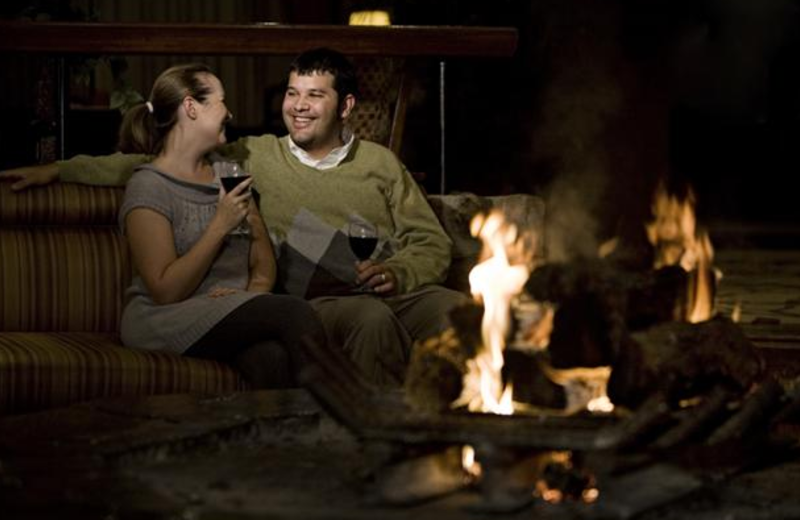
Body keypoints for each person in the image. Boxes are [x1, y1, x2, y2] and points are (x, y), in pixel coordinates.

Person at [0, 48, 467, 387]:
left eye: (315, 96)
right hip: (323, 297)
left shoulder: (381, 163)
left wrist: (399, 272)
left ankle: (469, 441)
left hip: (392, 285)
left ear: (345, 107)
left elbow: (431, 243)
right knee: (370, 321)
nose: (298, 106)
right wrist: (60, 169)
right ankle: (374, 440)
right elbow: (154, 160)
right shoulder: (252, 156)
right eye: (292, 93)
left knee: (459, 312)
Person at [105, 62, 325, 388]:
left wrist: (248, 300)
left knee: (272, 360)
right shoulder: (149, 186)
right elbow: (166, 291)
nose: (230, 112)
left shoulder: (228, 173)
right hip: (164, 318)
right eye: (222, 100)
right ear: (191, 108)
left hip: (223, 314)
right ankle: (340, 421)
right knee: (295, 313)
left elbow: (263, 264)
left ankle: (281, 437)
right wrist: (220, 224)